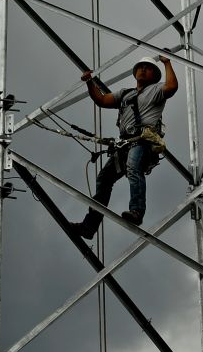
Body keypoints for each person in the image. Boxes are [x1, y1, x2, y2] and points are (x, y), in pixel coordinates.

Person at [74, 55, 178, 238]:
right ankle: (88, 227)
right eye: (141, 67)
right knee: (104, 179)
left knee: (133, 167)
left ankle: (137, 211)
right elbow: (101, 100)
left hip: (142, 141)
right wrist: (90, 82)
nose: (143, 70)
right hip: (125, 144)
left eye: (148, 67)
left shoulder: (156, 89)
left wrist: (167, 63)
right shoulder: (125, 94)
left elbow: (172, 87)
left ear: (155, 74)